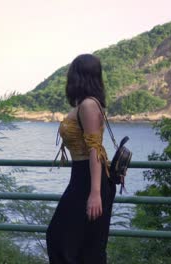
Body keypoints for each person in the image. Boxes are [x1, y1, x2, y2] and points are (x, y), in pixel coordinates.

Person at [46, 54, 116, 264]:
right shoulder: (84, 104)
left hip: (89, 180)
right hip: (81, 177)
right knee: (80, 244)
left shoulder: (88, 105)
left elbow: (95, 149)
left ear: (77, 75)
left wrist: (95, 194)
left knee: (67, 241)